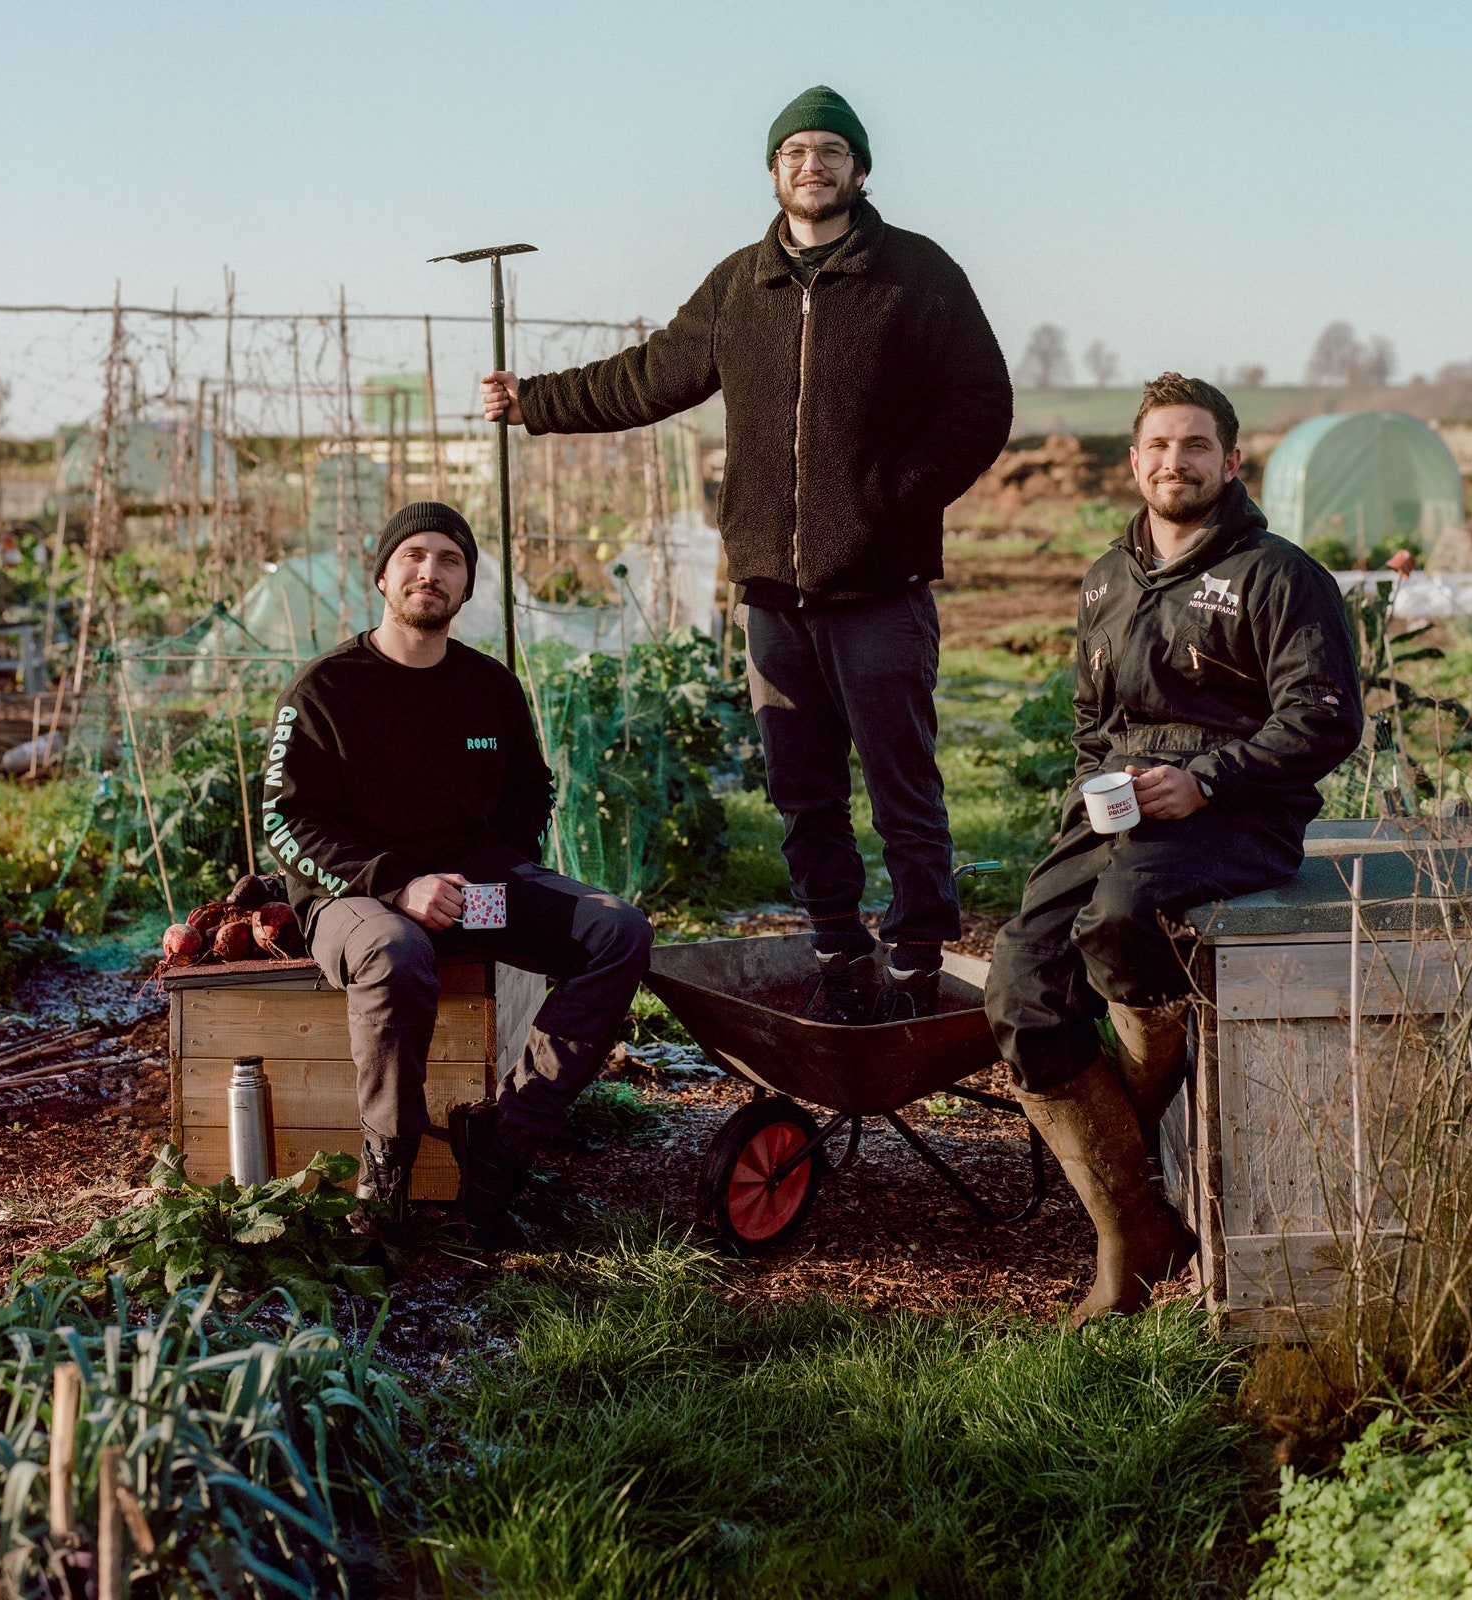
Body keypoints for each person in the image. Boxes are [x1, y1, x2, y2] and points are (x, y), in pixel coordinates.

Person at [482, 85, 1013, 1024]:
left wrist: (898, 495)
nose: (814, 166)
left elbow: (980, 401)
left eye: (832, 152)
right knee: (802, 788)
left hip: (881, 587)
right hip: (772, 593)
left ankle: (919, 951)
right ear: (774, 173)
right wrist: (535, 401)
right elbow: (652, 373)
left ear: (860, 169)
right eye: (796, 152)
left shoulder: (918, 275)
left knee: (902, 781)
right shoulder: (741, 285)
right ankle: (839, 949)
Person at [984, 374, 1364, 1322]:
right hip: (1120, 810)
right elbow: (1088, 721)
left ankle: (1139, 1190)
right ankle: (1138, 1224)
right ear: (1134, 461)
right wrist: (1097, 794)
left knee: (1121, 919)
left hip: (1240, 812)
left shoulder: (1280, 575)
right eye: (1158, 446)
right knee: (1018, 985)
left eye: (1196, 446)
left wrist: (1210, 779)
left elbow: (1323, 719)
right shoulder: (1108, 578)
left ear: (1230, 462)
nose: (1175, 462)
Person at [260, 501, 653, 1242]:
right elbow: (287, 819)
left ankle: (502, 1143)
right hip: (356, 898)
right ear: (382, 574)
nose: (429, 572)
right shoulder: (324, 691)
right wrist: (398, 887)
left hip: (469, 896)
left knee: (617, 931)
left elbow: (530, 789)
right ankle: (387, 1180)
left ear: (466, 586)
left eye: (449, 559)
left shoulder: (489, 688)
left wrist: (491, 872)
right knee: (396, 952)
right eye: (413, 555)